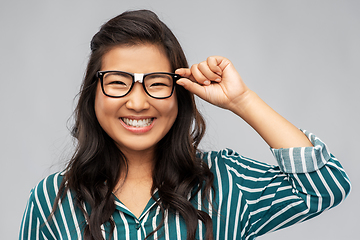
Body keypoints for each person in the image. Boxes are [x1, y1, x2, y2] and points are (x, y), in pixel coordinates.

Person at [19, 9, 351, 240]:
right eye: (118, 82)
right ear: (94, 93)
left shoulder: (226, 182)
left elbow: (324, 186)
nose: (137, 102)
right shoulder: (52, 200)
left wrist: (242, 100)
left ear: (179, 94)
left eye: (157, 83)